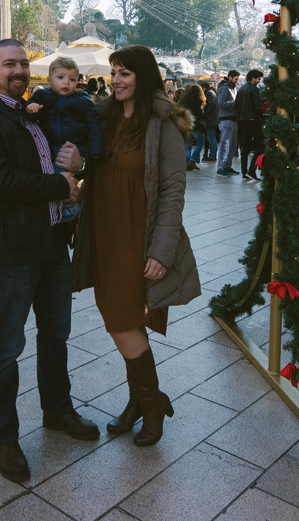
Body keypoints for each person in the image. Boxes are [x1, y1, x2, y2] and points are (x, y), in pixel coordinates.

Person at [0, 38, 94, 483]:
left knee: (56, 336)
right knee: (6, 347)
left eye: (23, 64)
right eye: (9, 64)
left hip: (53, 244)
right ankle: (4, 438)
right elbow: (1, 180)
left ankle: (57, 411)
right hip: (13, 251)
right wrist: (61, 185)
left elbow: (69, 161)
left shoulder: (34, 115)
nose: (18, 71)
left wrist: (80, 162)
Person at [74, 44, 201, 448]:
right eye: (113, 72)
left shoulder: (162, 124)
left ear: (143, 76)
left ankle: (152, 405)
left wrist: (161, 252)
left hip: (137, 238)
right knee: (117, 319)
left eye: (124, 73)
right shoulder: (103, 118)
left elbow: (172, 192)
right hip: (104, 235)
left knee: (122, 321)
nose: (116, 80)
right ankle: (139, 401)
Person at [25, 57, 105, 220]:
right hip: (49, 145)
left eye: (72, 79)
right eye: (60, 78)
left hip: (75, 146)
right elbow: (30, 114)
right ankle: (60, 203)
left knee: (63, 172)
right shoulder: (42, 96)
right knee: (51, 174)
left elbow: (94, 127)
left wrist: (96, 151)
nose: (66, 83)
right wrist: (31, 109)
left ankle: (68, 204)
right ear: (49, 80)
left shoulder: (83, 101)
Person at [235, 69, 265, 181]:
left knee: (245, 147)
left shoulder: (241, 89)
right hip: (253, 121)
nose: (258, 81)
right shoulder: (254, 89)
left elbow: (237, 106)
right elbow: (257, 107)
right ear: (252, 78)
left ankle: (244, 172)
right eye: (258, 79)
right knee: (259, 146)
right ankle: (251, 170)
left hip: (242, 121)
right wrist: (261, 119)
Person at [215, 70, 241, 176]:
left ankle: (227, 166)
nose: (237, 81)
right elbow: (221, 103)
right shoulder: (225, 88)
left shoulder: (232, 88)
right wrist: (236, 103)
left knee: (232, 145)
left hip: (232, 119)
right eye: (235, 79)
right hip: (226, 119)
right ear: (230, 77)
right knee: (226, 144)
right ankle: (221, 167)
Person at [178, 84, 207, 171]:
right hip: (195, 126)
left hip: (186, 125)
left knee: (188, 146)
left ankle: (186, 164)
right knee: (200, 143)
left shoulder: (184, 101)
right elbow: (200, 115)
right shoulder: (197, 101)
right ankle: (192, 160)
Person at [202, 83, 219, 162]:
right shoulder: (212, 92)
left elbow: (212, 105)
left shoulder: (209, 93)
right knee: (211, 137)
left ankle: (212, 155)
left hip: (210, 119)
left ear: (203, 88)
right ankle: (212, 155)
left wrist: (205, 113)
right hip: (213, 119)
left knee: (211, 137)